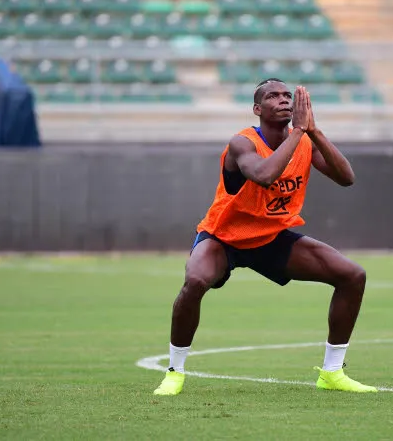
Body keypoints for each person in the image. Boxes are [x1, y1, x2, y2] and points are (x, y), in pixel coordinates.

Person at [154, 79, 376, 395]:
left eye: (288, 95)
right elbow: (263, 175)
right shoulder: (242, 143)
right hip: (224, 237)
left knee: (352, 276)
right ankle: (175, 372)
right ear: (258, 109)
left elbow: (346, 178)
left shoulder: (304, 141)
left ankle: (332, 372)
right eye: (273, 96)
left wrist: (313, 131)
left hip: (270, 238)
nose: (284, 100)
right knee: (196, 281)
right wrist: (299, 132)